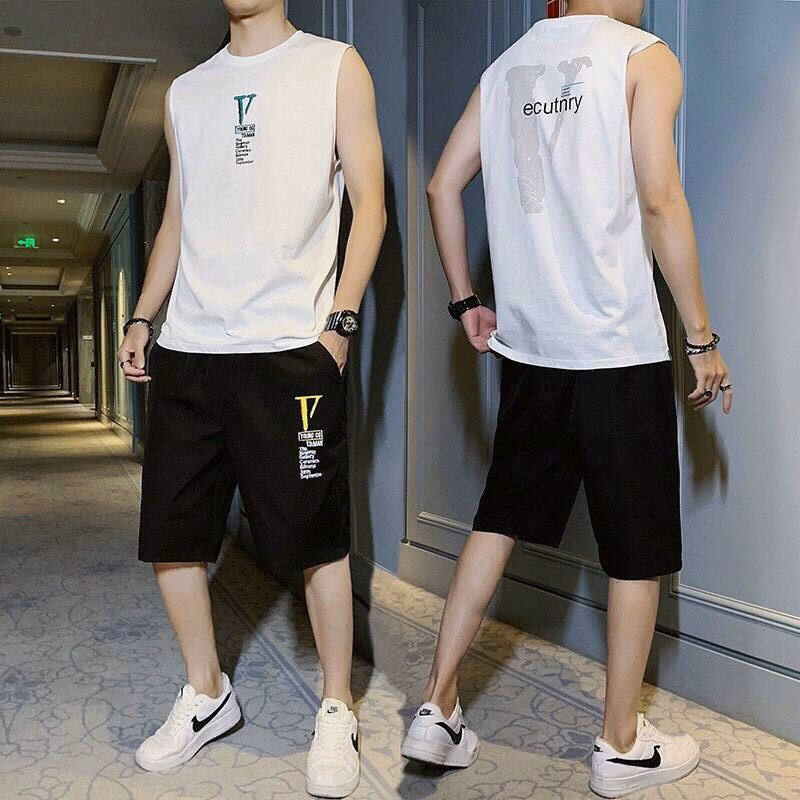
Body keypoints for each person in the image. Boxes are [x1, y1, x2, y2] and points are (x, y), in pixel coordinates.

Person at [401, 0, 732, 796]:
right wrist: (700, 337)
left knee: (499, 520)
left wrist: (464, 300)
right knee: (635, 551)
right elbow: (661, 198)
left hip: (531, 350)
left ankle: (436, 706)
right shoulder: (643, 55)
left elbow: (442, 187)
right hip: (617, 347)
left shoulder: (504, 67)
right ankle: (620, 745)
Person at [117, 1, 386, 796]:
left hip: (291, 349)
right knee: (172, 536)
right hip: (191, 350)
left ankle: (336, 705)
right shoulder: (185, 92)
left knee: (315, 539)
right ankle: (207, 692)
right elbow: (177, 218)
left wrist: (339, 324)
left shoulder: (336, 65)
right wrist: (143, 315)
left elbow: (370, 205)